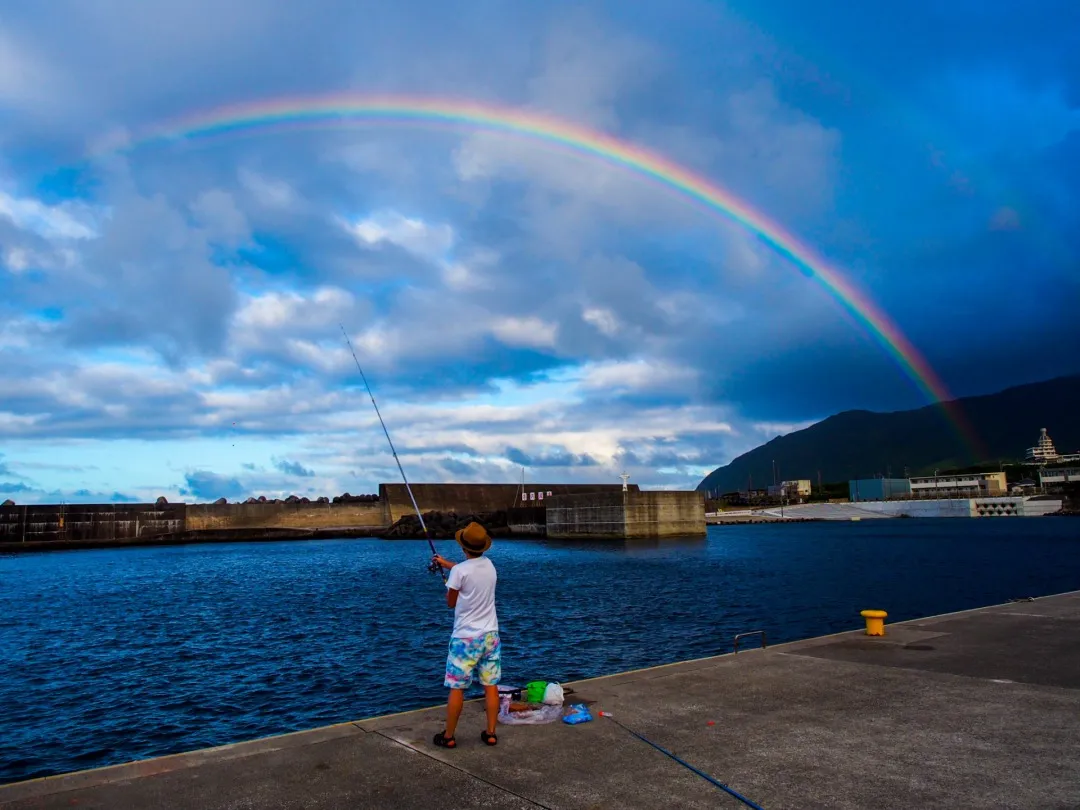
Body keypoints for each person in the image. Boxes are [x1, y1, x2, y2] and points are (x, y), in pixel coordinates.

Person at [431, 521, 501, 749]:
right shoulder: (490, 566)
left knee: (457, 688)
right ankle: (491, 733)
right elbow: (466, 572)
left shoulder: (460, 571)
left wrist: (449, 588)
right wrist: (446, 564)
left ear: (463, 548)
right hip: (490, 635)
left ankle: (449, 736)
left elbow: (451, 603)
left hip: (465, 639)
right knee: (491, 686)